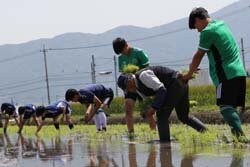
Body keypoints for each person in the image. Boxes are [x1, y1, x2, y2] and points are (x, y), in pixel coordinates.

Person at [183, 7, 247, 139]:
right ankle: (238, 137)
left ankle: (241, 139)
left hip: (226, 74)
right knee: (231, 108)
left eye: (196, 26)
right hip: (239, 72)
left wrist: (188, 74)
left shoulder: (207, 31)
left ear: (198, 20)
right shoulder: (221, 24)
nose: (198, 30)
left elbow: (198, 56)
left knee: (225, 107)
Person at [117, 66, 207, 142]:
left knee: (161, 116)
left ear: (129, 80)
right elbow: (150, 101)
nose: (128, 90)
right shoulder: (137, 88)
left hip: (176, 83)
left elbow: (161, 89)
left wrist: (153, 109)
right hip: (179, 86)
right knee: (184, 117)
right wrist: (147, 111)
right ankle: (206, 132)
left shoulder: (143, 75)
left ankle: (165, 144)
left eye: (127, 87)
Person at [113, 37, 150, 135]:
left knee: (146, 112)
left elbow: (148, 69)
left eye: (122, 51)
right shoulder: (121, 58)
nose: (123, 54)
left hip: (142, 86)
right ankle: (131, 134)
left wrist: (136, 72)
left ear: (126, 45)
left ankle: (154, 132)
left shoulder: (138, 52)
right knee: (128, 109)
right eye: (120, 52)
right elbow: (124, 74)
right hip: (130, 87)